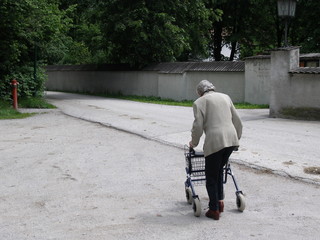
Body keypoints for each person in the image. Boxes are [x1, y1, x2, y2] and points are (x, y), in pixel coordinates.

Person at [189, 80, 242, 220]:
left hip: (215, 141)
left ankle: (214, 210)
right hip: (231, 139)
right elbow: (237, 120)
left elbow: (198, 126)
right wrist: (237, 139)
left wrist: (193, 143)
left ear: (200, 92)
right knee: (219, 172)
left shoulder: (199, 102)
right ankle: (220, 202)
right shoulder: (226, 97)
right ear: (213, 88)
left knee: (211, 177)